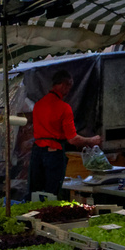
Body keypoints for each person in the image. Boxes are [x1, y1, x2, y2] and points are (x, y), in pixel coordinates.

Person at [30, 70, 101, 201]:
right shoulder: (64, 108)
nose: (69, 90)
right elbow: (73, 139)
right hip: (53, 152)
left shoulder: (38, 105)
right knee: (52, 193)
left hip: (36, 152)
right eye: (69, 86)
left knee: (36, 192)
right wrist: (92, 140)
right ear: (63, 84)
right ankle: (48, 216)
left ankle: (32, 216)